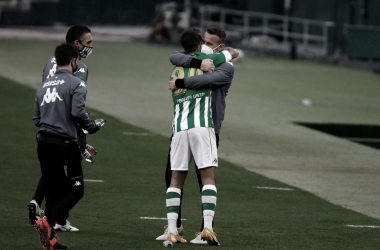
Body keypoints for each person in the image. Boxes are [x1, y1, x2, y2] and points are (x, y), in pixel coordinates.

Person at [156, 27, 236, 244]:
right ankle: (200, 230)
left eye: (211, 44)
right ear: (200, 43)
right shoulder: (210, 64)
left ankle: (181, 230)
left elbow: (176, 58)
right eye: (205, 42)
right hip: (201, 126)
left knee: (179, 180)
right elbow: (227, 58)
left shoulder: (178, 67)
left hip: (184, 127)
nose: (207, 46)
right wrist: (206, 62)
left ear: (218, 46)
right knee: (202, 178)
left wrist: (180, 83)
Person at [33, 42, 100, 249]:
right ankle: (48, 222)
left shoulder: (43, 85)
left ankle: (50, 241)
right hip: (65, 144)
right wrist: (91, 126)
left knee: (52, 189)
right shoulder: (77, 83)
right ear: (73, 61)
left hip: (43, 142)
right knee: (75, 190)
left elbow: (36, 119)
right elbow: (78, 113)